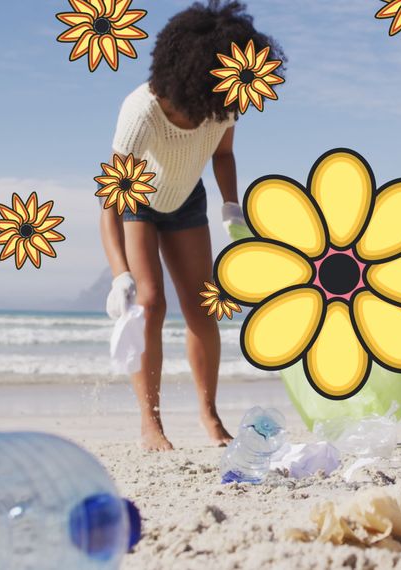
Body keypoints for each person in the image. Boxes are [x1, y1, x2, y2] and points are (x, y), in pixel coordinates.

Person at [99, 0, 285, 450]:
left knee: (203, 307)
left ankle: (209, 414)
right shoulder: (140, 112)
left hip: (186, 203)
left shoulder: (222, 104)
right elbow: (110, 197)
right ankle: (151, 424)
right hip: (138, 200)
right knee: (149, 303)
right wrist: (118, 272)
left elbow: (222, 154)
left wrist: (231, 205)